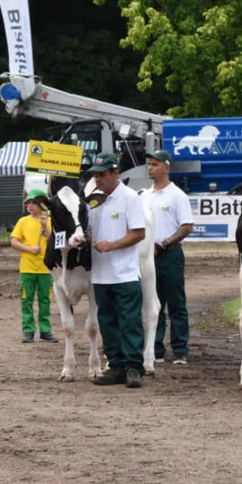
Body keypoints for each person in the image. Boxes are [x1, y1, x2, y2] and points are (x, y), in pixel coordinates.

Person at [87, 153, 148, 388]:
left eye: (102, 174)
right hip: (101, 274)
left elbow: (139, 232)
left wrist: (112, 245)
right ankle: (116, 365)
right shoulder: (94, 201)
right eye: (95, 175)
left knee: (130, 321)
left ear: (115, 173)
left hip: (124, 272)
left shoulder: (130, 198)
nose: (98, 179)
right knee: (108, 321)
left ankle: (134, 366)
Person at [142, 149, 194, 365]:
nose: (150, 168)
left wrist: (164, 243)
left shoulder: (177, 196)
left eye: (155, 164)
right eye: (149, 164)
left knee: (176, 303)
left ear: (166, 167)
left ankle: (180, 348)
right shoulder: (144, 195)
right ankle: (156, 348)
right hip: (148, 256)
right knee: (153, 302)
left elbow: (187, 227)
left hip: (169, 254)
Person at [9, 189, 58, 343]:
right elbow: (14, 242)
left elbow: (56, 240)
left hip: (45, 268)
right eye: (28, 203)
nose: (30, 206)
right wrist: (30, 249)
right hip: (27, 267)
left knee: (45, 300)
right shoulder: (23, 222)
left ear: (42, 205)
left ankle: (45, 331)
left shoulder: (50, 221)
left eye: (34, 203)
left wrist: (46, 229)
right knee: (26, 299)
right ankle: (28, 330)